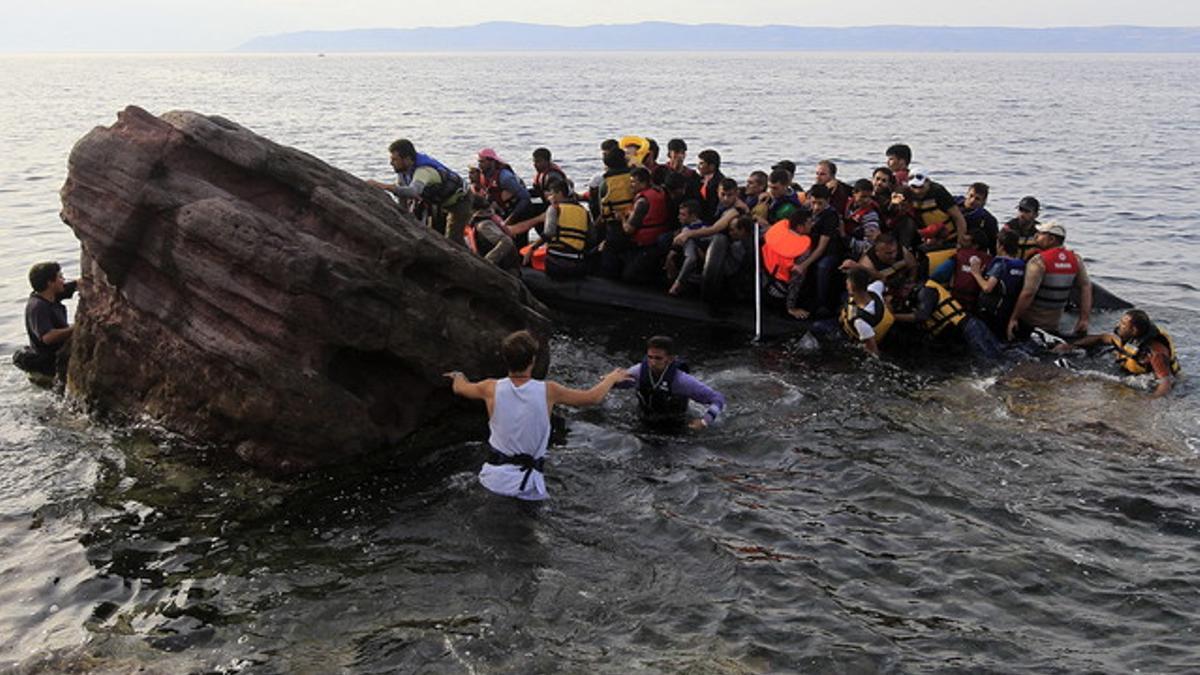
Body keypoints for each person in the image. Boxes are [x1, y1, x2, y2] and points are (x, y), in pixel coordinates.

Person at [445, 330, 630, 501]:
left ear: (505, 359)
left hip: (492, 479)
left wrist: (458, 375)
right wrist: (611, 378)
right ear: (533, 361)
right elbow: (592, 398)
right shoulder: (549, 390)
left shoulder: (489, 388)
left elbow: (460, 389)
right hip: (527, 487)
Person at [1053, 309, 1180, 398]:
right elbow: (1102, 338)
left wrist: (1150, 400)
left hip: (1149, 379)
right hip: (1129, 368)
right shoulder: (1127, 338)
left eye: (1123, 324)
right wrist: (1072, 346)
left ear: (1134, 330)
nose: (1119, 325)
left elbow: (1166, 383)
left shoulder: (1155, 352)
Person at [366, 138, 471, 241]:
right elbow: (403, 198)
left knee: (453, 239)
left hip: (460, 201)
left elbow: (414, 191)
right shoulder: (403, 173)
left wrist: (383, 186)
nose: (391, 163)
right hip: (439, 203)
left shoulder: (423, 171)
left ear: (407, 159)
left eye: (395, 159)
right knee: (434, 235)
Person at [615, 336, 726, 429]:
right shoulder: (638, 371)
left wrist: (704, 422)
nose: (652, 363)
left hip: (675, 424)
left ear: (670, 359)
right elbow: (617, 384)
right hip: (644, 418)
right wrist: (610, 380)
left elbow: (718, 398)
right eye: (650, 357)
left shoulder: (681, 381)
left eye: (658, 358)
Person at [1006, 221, 1092, 341]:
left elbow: (1028, 293)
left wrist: (1014, 318)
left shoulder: (1039, 261)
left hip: (1030, 324)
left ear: (1051, 239)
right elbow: (1086, 287)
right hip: (1053, 325)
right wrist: (1084, 319)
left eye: (1040, 234)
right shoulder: (1075, 260)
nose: (1036, 236)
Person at [893, 279, 1005, 361]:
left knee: (992, 360)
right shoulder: (916, 299)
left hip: (968, 327)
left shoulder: (926, 291)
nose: (902, 299)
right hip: (962, 330)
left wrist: (893, 316)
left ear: (906, 288)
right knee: (997, 355)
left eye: (901, 295)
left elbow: (922, 316)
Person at [524, 179, 596, 280]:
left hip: (556, 265)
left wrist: (532, 248)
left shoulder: (554, 209)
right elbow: (592, 239)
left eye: (552, 193)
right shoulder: (584, 212)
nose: (550, 197)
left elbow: (549, 233)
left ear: (560, 193)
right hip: (578, 266)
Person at [15, 262, 77, 378]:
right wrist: (75, 328)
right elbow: (48, 337)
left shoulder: (49, 296)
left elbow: (69, 287)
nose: (63, 279)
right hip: (49, 360)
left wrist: (81, 283)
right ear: (50, 283)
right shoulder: (38, 306)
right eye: (60, 277)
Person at [969, 228, 1026, 339]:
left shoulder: (1000, 264)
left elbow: (987, 288)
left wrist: (976, 273)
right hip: (1008, 310)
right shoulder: (1021, 264)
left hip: (991, 313)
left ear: (1001, 246)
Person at [908, 168, 968, 251]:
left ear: (928, 181)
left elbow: (958, 217)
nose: (917, 190)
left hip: (949, 238)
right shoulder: (909, 193)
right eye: (914, 186)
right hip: (928, 239)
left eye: (920, 186)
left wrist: (960, 242)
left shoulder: (938, 192)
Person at [839, 268, 893, 357]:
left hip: (860, 339)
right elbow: (882, 278)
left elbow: (874, 352)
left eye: (847, 284)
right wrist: (857, 266)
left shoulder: (860, 322)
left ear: (851, 287)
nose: (846, 286)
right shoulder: (874, 289)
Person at [477, 148, 533, 230]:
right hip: (503, 210)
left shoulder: (505, 177)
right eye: (479, 162)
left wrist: (510, 219)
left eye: (482, 162)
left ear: (491, 162)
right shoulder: (484, 176)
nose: (479, 165)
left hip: (520, 211)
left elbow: (525, 197)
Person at [463, 195, 520, 275]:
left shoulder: (483, 225)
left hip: (504, 270)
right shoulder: (489, 217)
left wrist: (487, 262)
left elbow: (506, 241)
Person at [957, 182, 999, 255]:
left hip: (974, 254)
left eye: (977, 199)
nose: (972, 200)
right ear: (967, 194)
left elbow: (993, 247)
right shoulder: (953, 207)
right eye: (971, 196)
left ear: (984, 202)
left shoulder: (988, 220)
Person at [1001, 195, 1042, 260]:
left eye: (1027, 211)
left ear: (1036, 214)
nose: (1022, 214)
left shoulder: (1040, 229)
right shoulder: (1010, 226)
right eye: (1021, 210)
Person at [696, 149, 725, 222]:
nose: (698, 167)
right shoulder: (700, 179)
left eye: (701, 164)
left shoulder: (719, 182)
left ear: (712, 166)